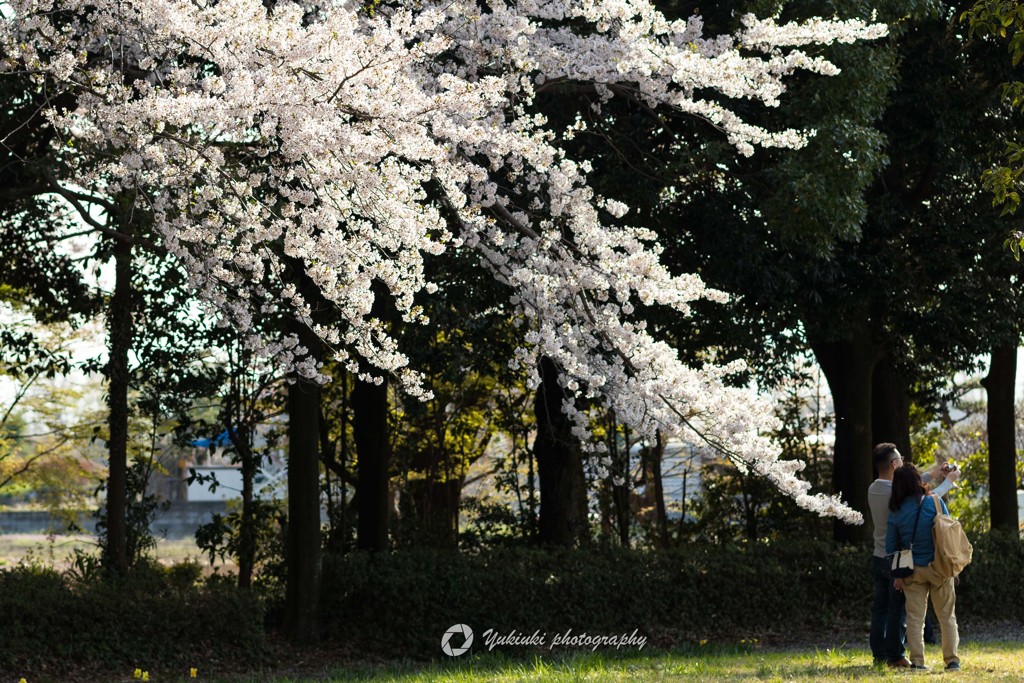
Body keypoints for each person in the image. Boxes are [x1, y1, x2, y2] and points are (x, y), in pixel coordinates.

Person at [867, 443, 957, 668]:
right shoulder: (911, 500)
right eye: (900, 459)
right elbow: (930, 501)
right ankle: (900, 655)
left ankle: (892, 656)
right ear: (894, 464)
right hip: (916, 563)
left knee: (886, 611)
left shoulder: (875, 490)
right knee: (907, 612)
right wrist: (948, 482)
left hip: (888, 559)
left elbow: (907, 485)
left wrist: (933, 473)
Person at [886, 464, 961, 672]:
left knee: (915, 619)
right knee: (947, 616)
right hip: (939, 567)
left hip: (912, 571)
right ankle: (952, 661)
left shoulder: (895, 512)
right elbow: (948, 535)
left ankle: (917, 662)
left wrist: (897, 575)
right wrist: (953, 569)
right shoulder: (934, 502)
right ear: (917, 481)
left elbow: (891, 547)